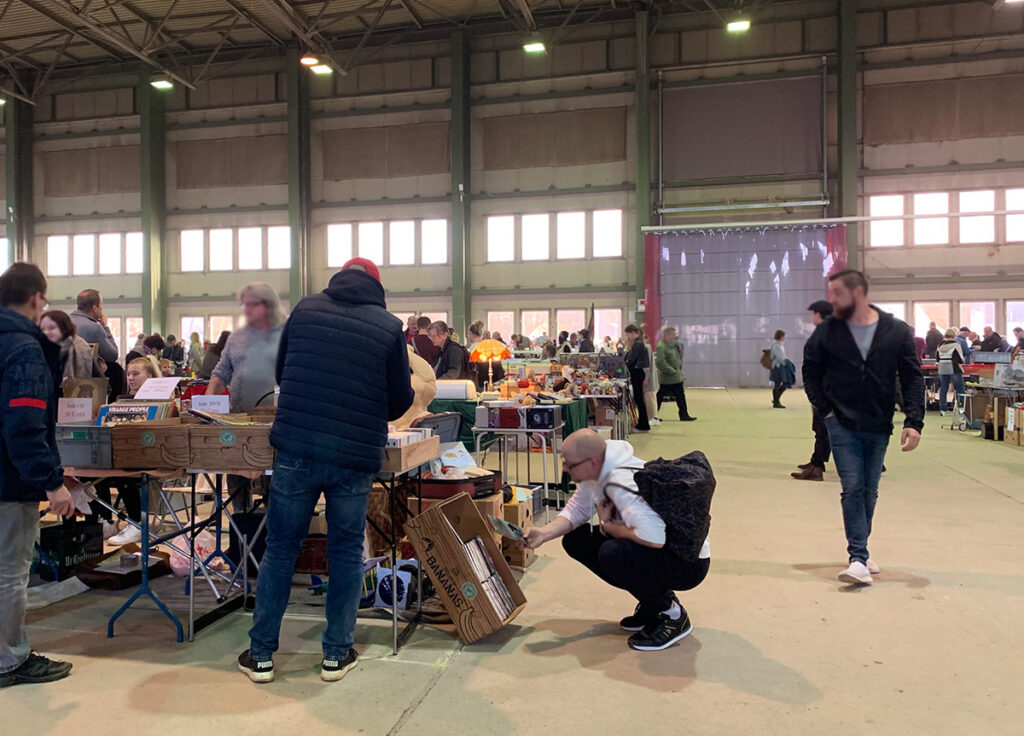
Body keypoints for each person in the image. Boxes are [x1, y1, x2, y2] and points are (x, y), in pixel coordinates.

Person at [238, 257, 413, 684]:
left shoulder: (305, 309)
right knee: (346, 550)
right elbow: (399, 400)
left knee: (281, 547)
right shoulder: (389, 327)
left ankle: (260, 655)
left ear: (337, 279)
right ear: (377, 285)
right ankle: (336, 654)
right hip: (353, 456)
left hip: (297, 446)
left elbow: (284, 373)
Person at [522, 430, 710, 651]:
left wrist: (609, 526)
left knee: (612, 553)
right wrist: (544, 533)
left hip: (686, 564)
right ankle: (652, 602)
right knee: (576, 539)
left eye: (569, 463)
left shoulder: (620, 482)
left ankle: (670, 614)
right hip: (664, 552)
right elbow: (578, 508)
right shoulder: (596, 467)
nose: (564, 469)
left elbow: (654, 537)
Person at [803, 269, 924, 585]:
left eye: (837, 293)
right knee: (853, 485)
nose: (831, 300)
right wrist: (825, 411)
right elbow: (810, 371)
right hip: (840, 422)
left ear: (858, 294)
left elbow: (912, 377)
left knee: (870, 490)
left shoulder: (895, 331)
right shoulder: (827, 332)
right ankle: (857, 556)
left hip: (879, 422)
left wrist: (914, 421)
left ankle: (862, 550)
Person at [0, 263, 75, 688]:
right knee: (9, 573)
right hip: (9, 482)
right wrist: (52, 481)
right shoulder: (23, 349)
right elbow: (24, 426)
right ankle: (10, 660)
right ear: (35, 299)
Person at [208, 283, 286, 512]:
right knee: (237, 483)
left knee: (276, 485)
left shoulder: (287, 333)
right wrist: (205, 408)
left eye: (253, 304)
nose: (247, 310)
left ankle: (271, 537)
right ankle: (241, 532)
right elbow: (219, 375)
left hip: (276, 423)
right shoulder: (236, 338)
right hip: (238, 422)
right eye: (245, 305)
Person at [95, 357, 162, 545]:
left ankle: (136, 522)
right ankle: (106, 519)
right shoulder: (121, 399)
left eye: (136, 374)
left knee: (124, 471)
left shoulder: (161, 401)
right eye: (129, 374)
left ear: (149, 376)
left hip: (149, 455)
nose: (130, 378)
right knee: (94, 470)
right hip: (124, 452)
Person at [792, 302, 834, 481]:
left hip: (824, 392)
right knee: (823, 429)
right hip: (831, 391)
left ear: (819, 315)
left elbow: (812, 369)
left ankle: (816, 467)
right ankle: (817, 461)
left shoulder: (822, 336)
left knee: (824, 429)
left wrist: (815, 395)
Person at [39, 310, 104, 381]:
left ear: (64, 328)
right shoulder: (37, 350)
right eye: (42, 329)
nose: (46, 332)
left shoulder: (81, 348)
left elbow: (100, 381)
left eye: (52, 328)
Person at [655, 327, 696, 422]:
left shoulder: (672, 345)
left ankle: (684, 414)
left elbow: (678, 356)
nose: (675, 336)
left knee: (680, 396)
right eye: (673, 334)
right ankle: (652, 415)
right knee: (660, 396)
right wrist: (671, 370)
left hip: (676, 377)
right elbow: (660, 362)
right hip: (668, 378)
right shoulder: (661, 347)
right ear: (667, 335)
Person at [623, 324, 651, 432]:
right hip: (638, 372)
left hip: (637, 372)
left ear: (633, 333)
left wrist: (624, 365)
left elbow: (631, 359)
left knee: (639, 400)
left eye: (628, 335)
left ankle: (643, 425)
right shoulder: (638, 343)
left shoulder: (637, 344)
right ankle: (643, 423)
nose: (627, 337)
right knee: (639, 399)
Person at [936, 328, 967, 416]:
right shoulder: (956, 344)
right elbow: (961, 358)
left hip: (942, 366)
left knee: (943, 388)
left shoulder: (939, 345)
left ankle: (943, 409)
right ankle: (961, 408)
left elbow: (937, 358)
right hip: (953, 367)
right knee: (960, 387)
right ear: (954, 335)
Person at [769, 330, 789, 408]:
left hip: (779, 367)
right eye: (784, 336)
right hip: (777, 367)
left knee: (780, 384)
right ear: (780, 336)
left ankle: (776, 400)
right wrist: (786, 363)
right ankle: (776, 402)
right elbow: (780, 357)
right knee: (778, 384)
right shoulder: (777, 346)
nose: (785, 337)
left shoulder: (779, 345)